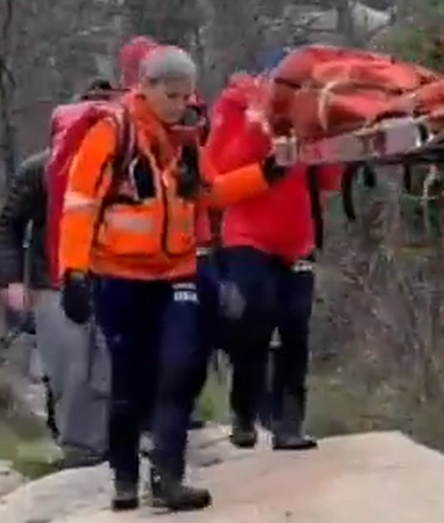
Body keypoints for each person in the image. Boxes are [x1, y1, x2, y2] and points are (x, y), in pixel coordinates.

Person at [56, 44, 291, 512]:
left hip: (178, 271)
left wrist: (269, 172)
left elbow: (213, 192)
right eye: (172, 96)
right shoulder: (112, 134)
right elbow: (80, 204)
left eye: (187, 96)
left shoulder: (185, 141)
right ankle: (125, 476)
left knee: (179, 371)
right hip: (119, 276)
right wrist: (73, 273)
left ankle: (168, 478)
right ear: (144, 87)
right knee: (131, 382)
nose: (182, 105)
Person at [206, 53, 343, 451]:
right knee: (255, 320)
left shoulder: (312, 113)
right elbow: (221, 168)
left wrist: (333, 140)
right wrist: (259, 125)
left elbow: (329, 180)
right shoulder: (236, 106)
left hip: (297, 238)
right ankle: (245, 410)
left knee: (295, 328)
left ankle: (289, 424)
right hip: (247, 234)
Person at [0, 111, 112, 470]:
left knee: (107, 366)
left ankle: (105, 443)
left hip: (111, 276)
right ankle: (79, 448)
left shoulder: (120, 166)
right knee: (68, 370)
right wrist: (11, 281)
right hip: (53, 281)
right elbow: (9, 225)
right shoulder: (38, 171)